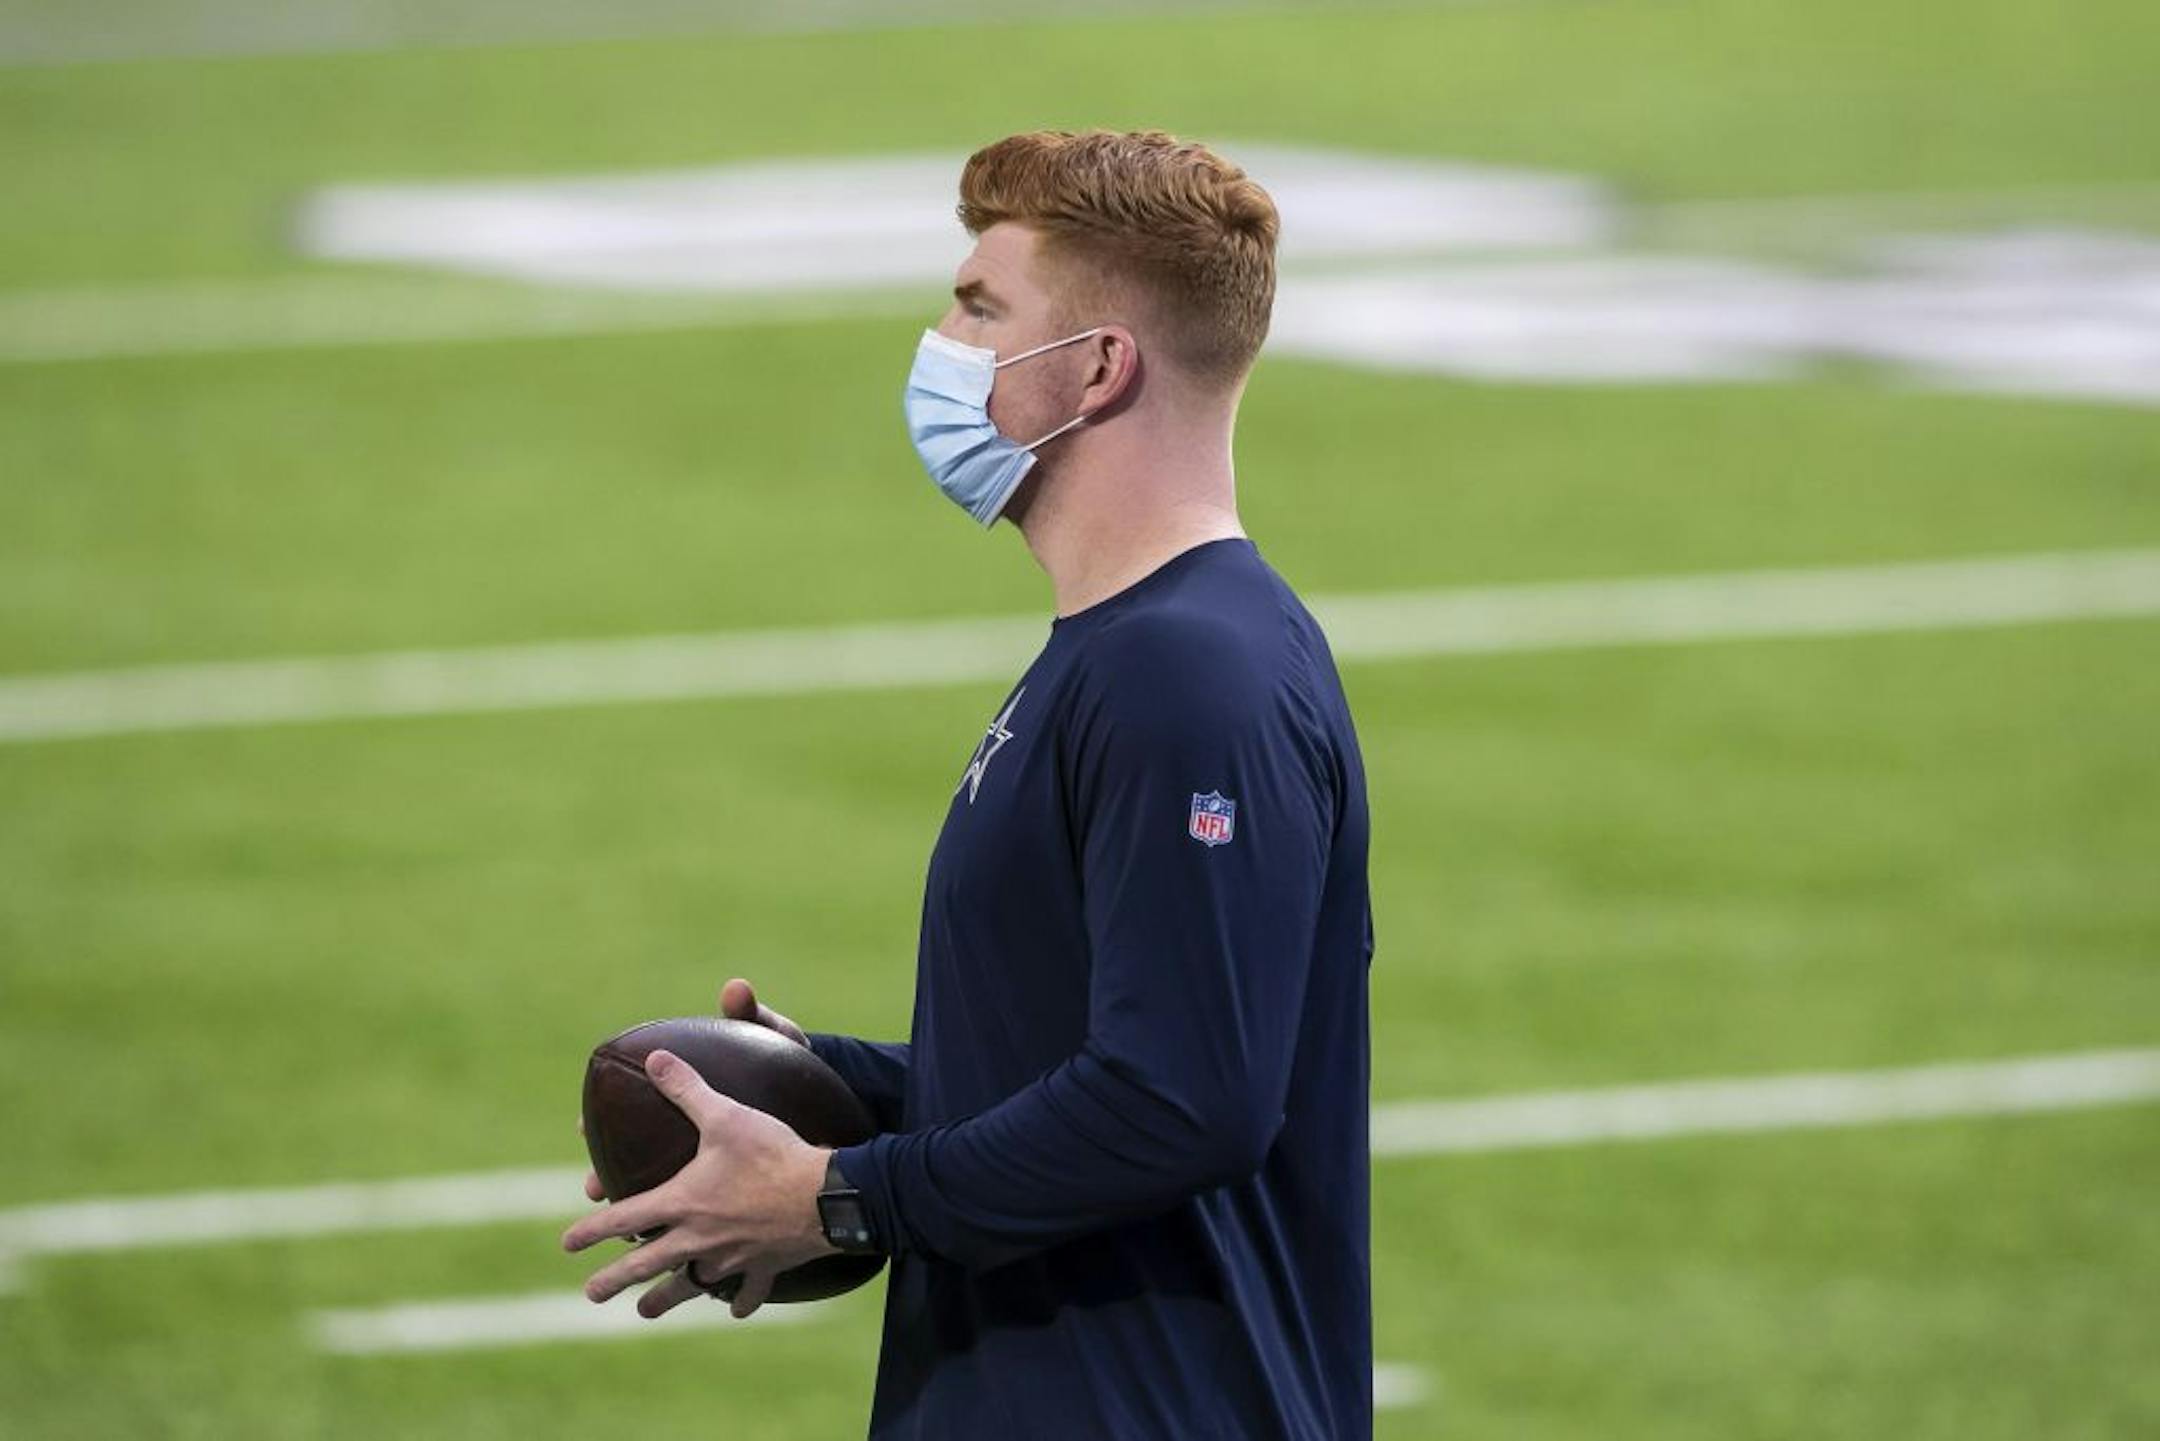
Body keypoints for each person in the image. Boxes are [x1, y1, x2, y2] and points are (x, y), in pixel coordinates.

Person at [564, 128, 1375, 1439]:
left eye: (981, 306)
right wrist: (829, 1089)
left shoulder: (1187, 673)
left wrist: (842, 1195)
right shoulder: (1126, 650)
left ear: (1100, 367)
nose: (942, 339)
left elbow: (1188, 1095)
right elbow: (1106, 1053)